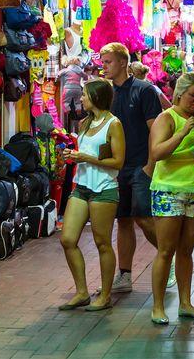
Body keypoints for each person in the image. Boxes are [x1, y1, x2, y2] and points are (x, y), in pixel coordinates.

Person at [98, 42, 172, 293]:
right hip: (116, 167)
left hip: (140, 165)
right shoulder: (105, 93)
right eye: (102, 61)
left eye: (107, 62)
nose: (103, 66)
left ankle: (167, 257)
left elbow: (156, 130)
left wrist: (150, 165)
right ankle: (125, 275)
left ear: (122, 62)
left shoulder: (144, 91)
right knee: (123, 220)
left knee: (143, 216)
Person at [148, 73, 194, 325]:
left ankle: (186, 303)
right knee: (165, 250)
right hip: (168, 190)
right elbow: (157, 153)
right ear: (179, 94)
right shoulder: (167, 118)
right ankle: (158, 306)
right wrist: (183, 132)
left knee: (186, 250)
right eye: (192, 95)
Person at [58, 79, 126, 311]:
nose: (82, 98)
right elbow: (84, 152)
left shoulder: (113, 124)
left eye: (85, 94)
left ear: (96, 97)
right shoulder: (85, 123)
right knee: (67, 239)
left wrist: (86, 158)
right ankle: (81, 291)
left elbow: (118, 161)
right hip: (82, 186)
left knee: (102, 242)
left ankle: (105, 295)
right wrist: (73, 155)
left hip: (104, 188)